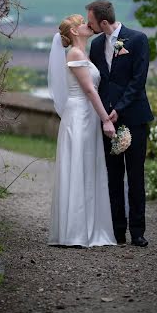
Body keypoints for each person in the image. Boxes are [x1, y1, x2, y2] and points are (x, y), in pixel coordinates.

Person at [86, 0, 154, 247]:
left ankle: (138, 231)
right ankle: (117, 231)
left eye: (90, 22)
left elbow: (138, 81)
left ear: (103, 22)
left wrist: (118, 110)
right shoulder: (95, 45)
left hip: (134, 118)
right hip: (107, 123)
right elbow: (99, 83)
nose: (88, 25)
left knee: (136, 176)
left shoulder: (137, 40)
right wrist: (105, 114)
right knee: (113, 176)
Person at [48, 14, 117, 247]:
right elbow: (89, 90)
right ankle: (75, 232)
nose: (89, 25)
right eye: (83, 23)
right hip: (79, 116)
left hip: (86, 116)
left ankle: (86, 228)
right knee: (78, 165)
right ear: (75, 32)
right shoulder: (75, 54)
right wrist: (106, 119)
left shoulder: (83, 53)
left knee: (87, 166)